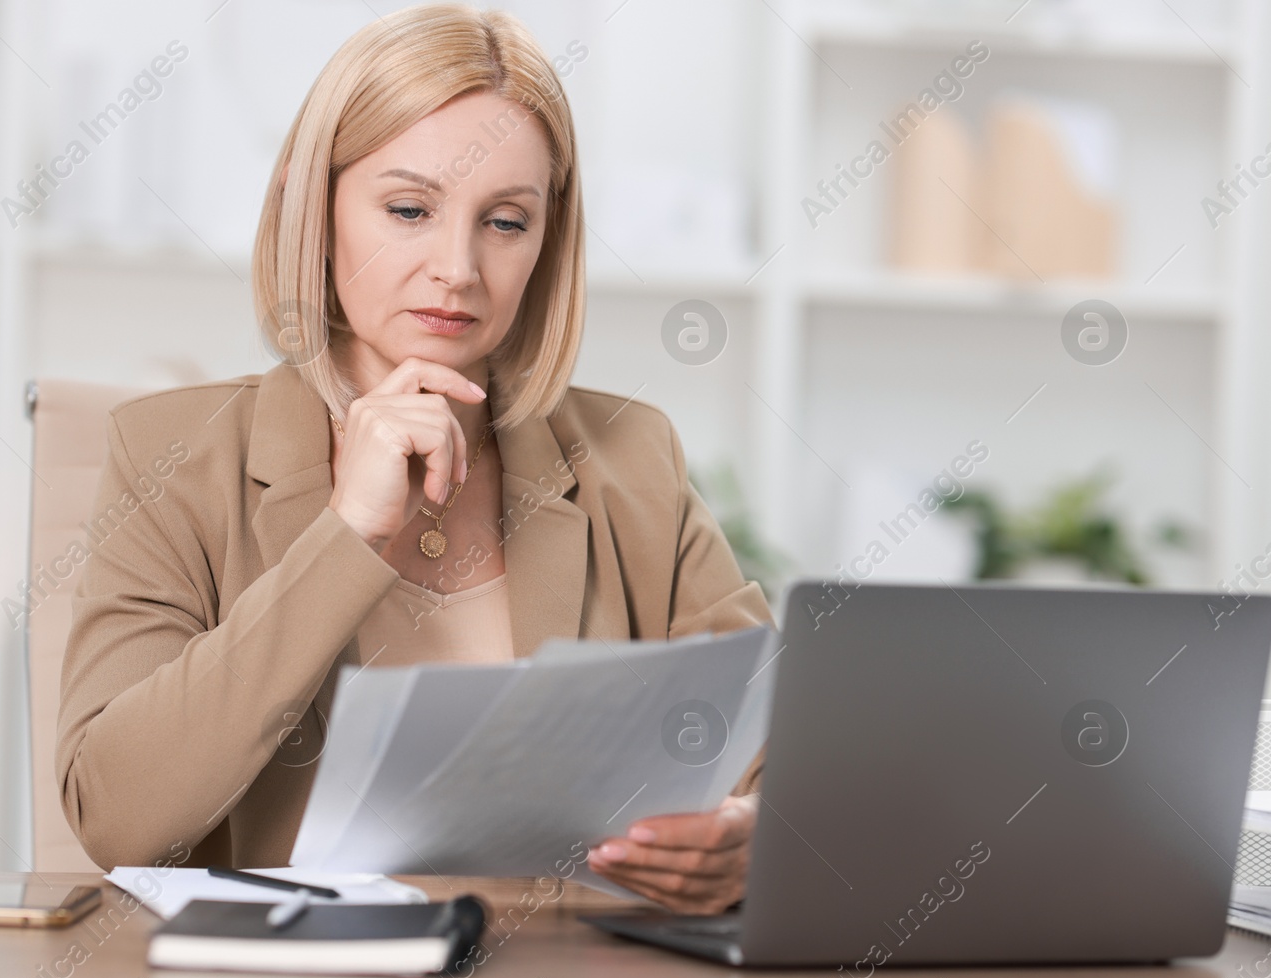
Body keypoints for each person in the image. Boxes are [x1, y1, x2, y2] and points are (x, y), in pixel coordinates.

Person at [56, 3, 772, 915]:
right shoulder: (171, 454)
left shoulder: (633, 456)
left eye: (506, 222)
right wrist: (348, 533)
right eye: (408, 209)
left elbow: (778, 742)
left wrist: (752, 829)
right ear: (315, 209)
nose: (457, 267)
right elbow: (119, 817)